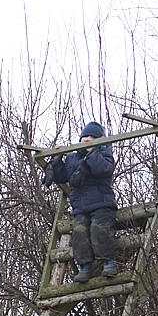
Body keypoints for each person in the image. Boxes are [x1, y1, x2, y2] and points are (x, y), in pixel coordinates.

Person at [43, 121, 117, 283]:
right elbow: (62, 176)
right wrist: (57, 159)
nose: (87, 139)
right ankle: (84, 266)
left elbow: (102, 169)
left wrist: (92, 152)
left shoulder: (104, 155)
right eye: (85, 136)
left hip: (102, 203)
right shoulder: (73, 158)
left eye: (92, 137)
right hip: (81, 207)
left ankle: (108, 262)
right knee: (79, 231)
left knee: (100, 229)